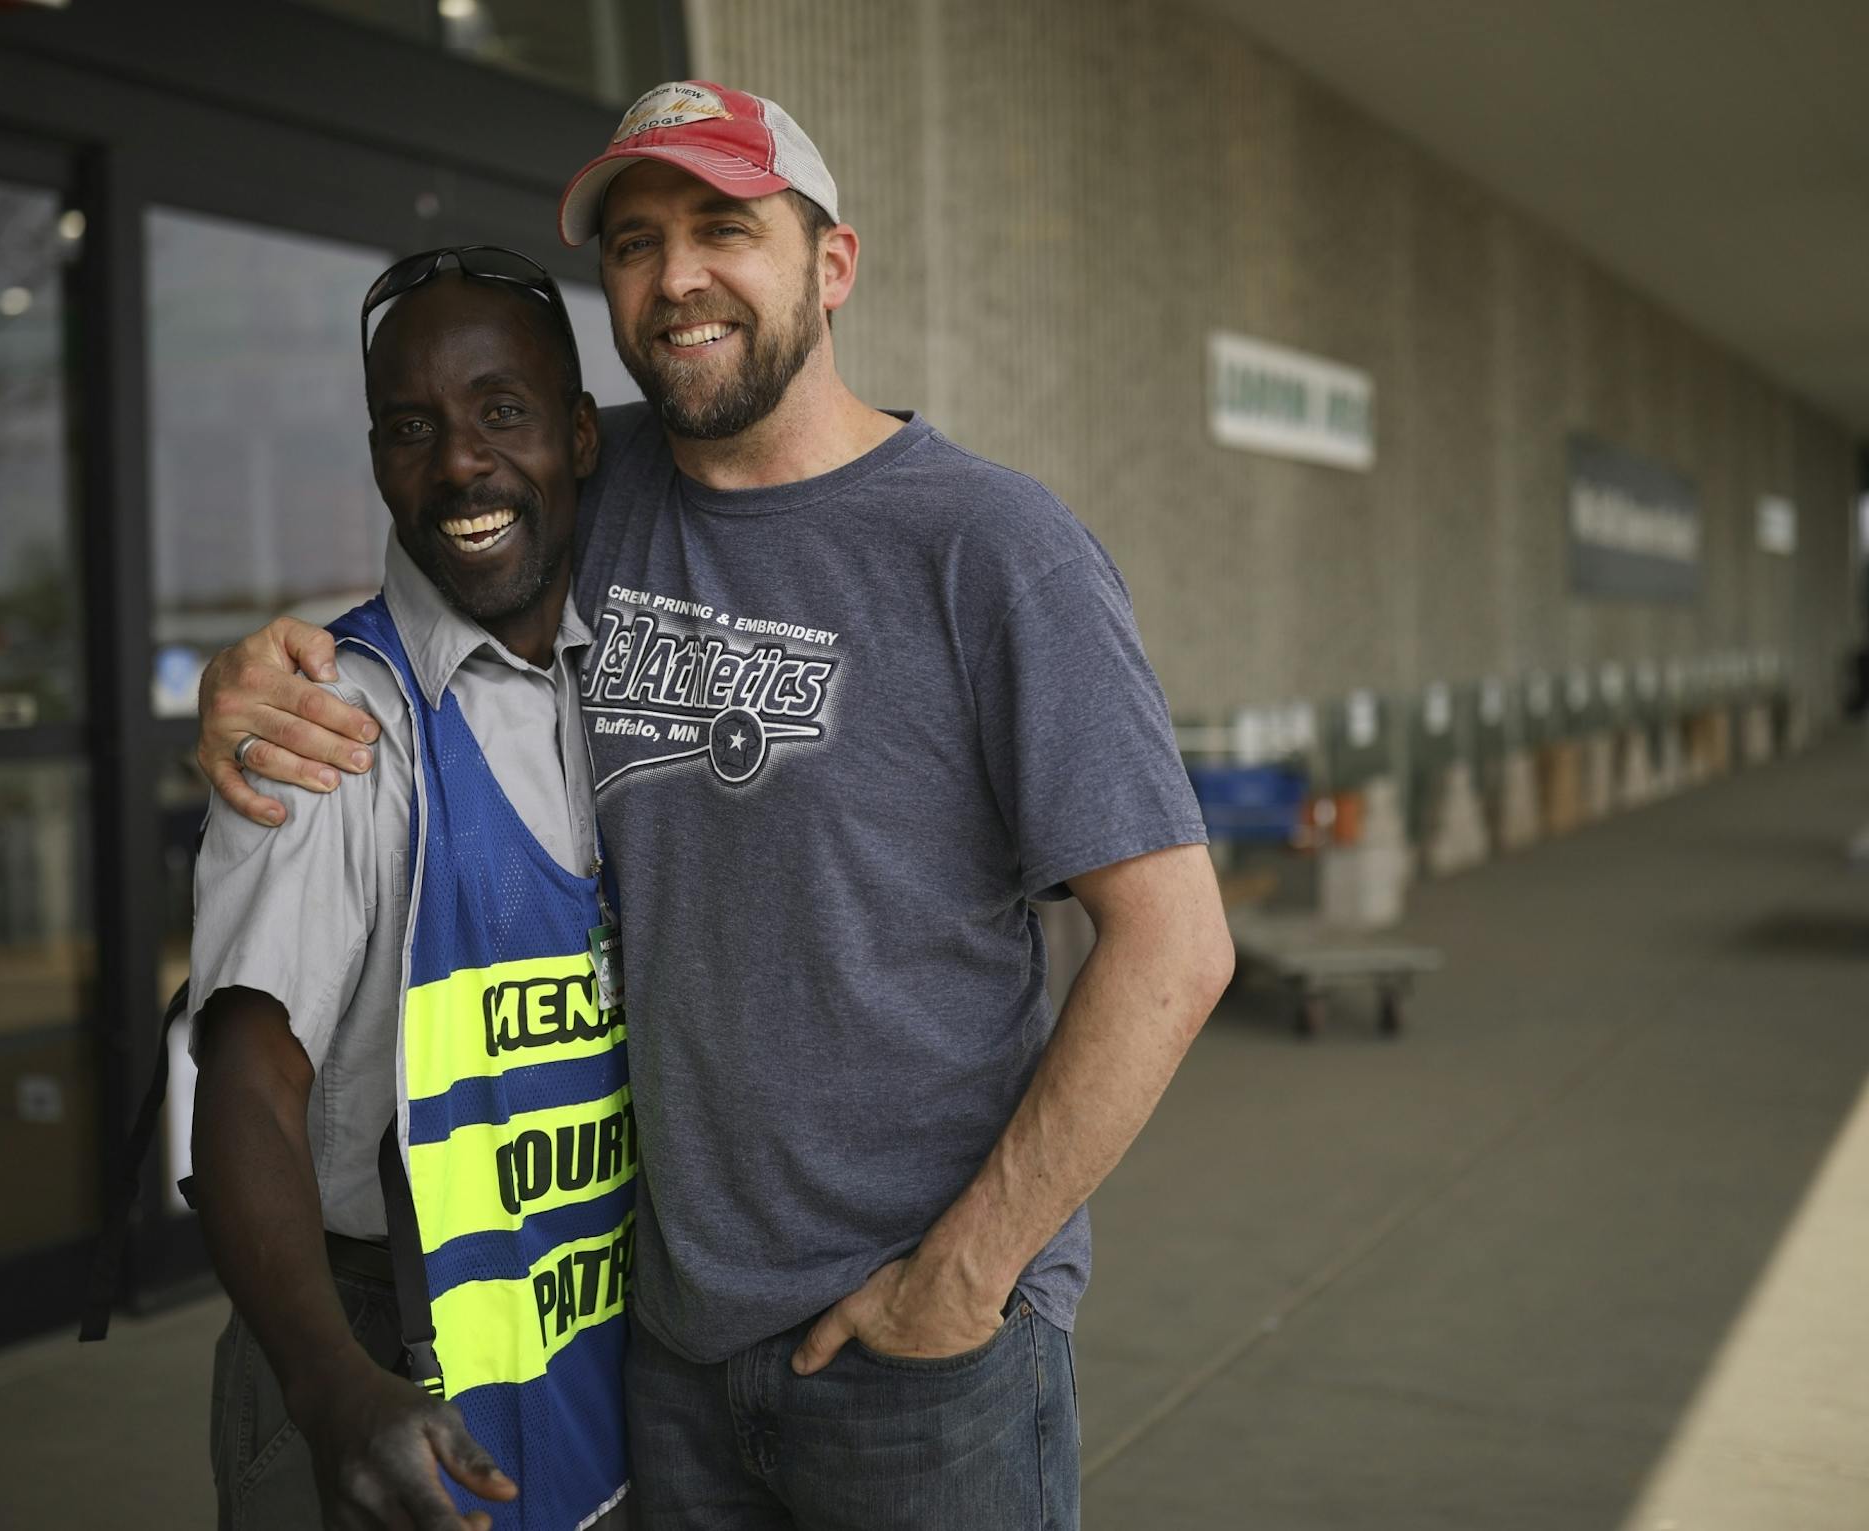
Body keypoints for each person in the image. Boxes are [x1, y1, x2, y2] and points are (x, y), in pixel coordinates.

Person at [196, 81, 1234, 1530]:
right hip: (667, 1353)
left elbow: (1176, 947)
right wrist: (260, 669)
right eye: (633, 241)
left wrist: (966, 1276)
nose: (676, 274)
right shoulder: (598, 481)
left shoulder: (992, 548)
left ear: (833, 261)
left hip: (916, 1366)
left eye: (721, 226)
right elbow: (454, 480)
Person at [190, 247, 634, 1531]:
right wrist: (332, 1388)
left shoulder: (605, 686)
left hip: (567, 1324)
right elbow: (247, 1085)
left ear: (581, 436)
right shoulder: (333, 722)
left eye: (502, 411)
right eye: (410, 427)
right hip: (370, 1343)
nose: (458, 465)